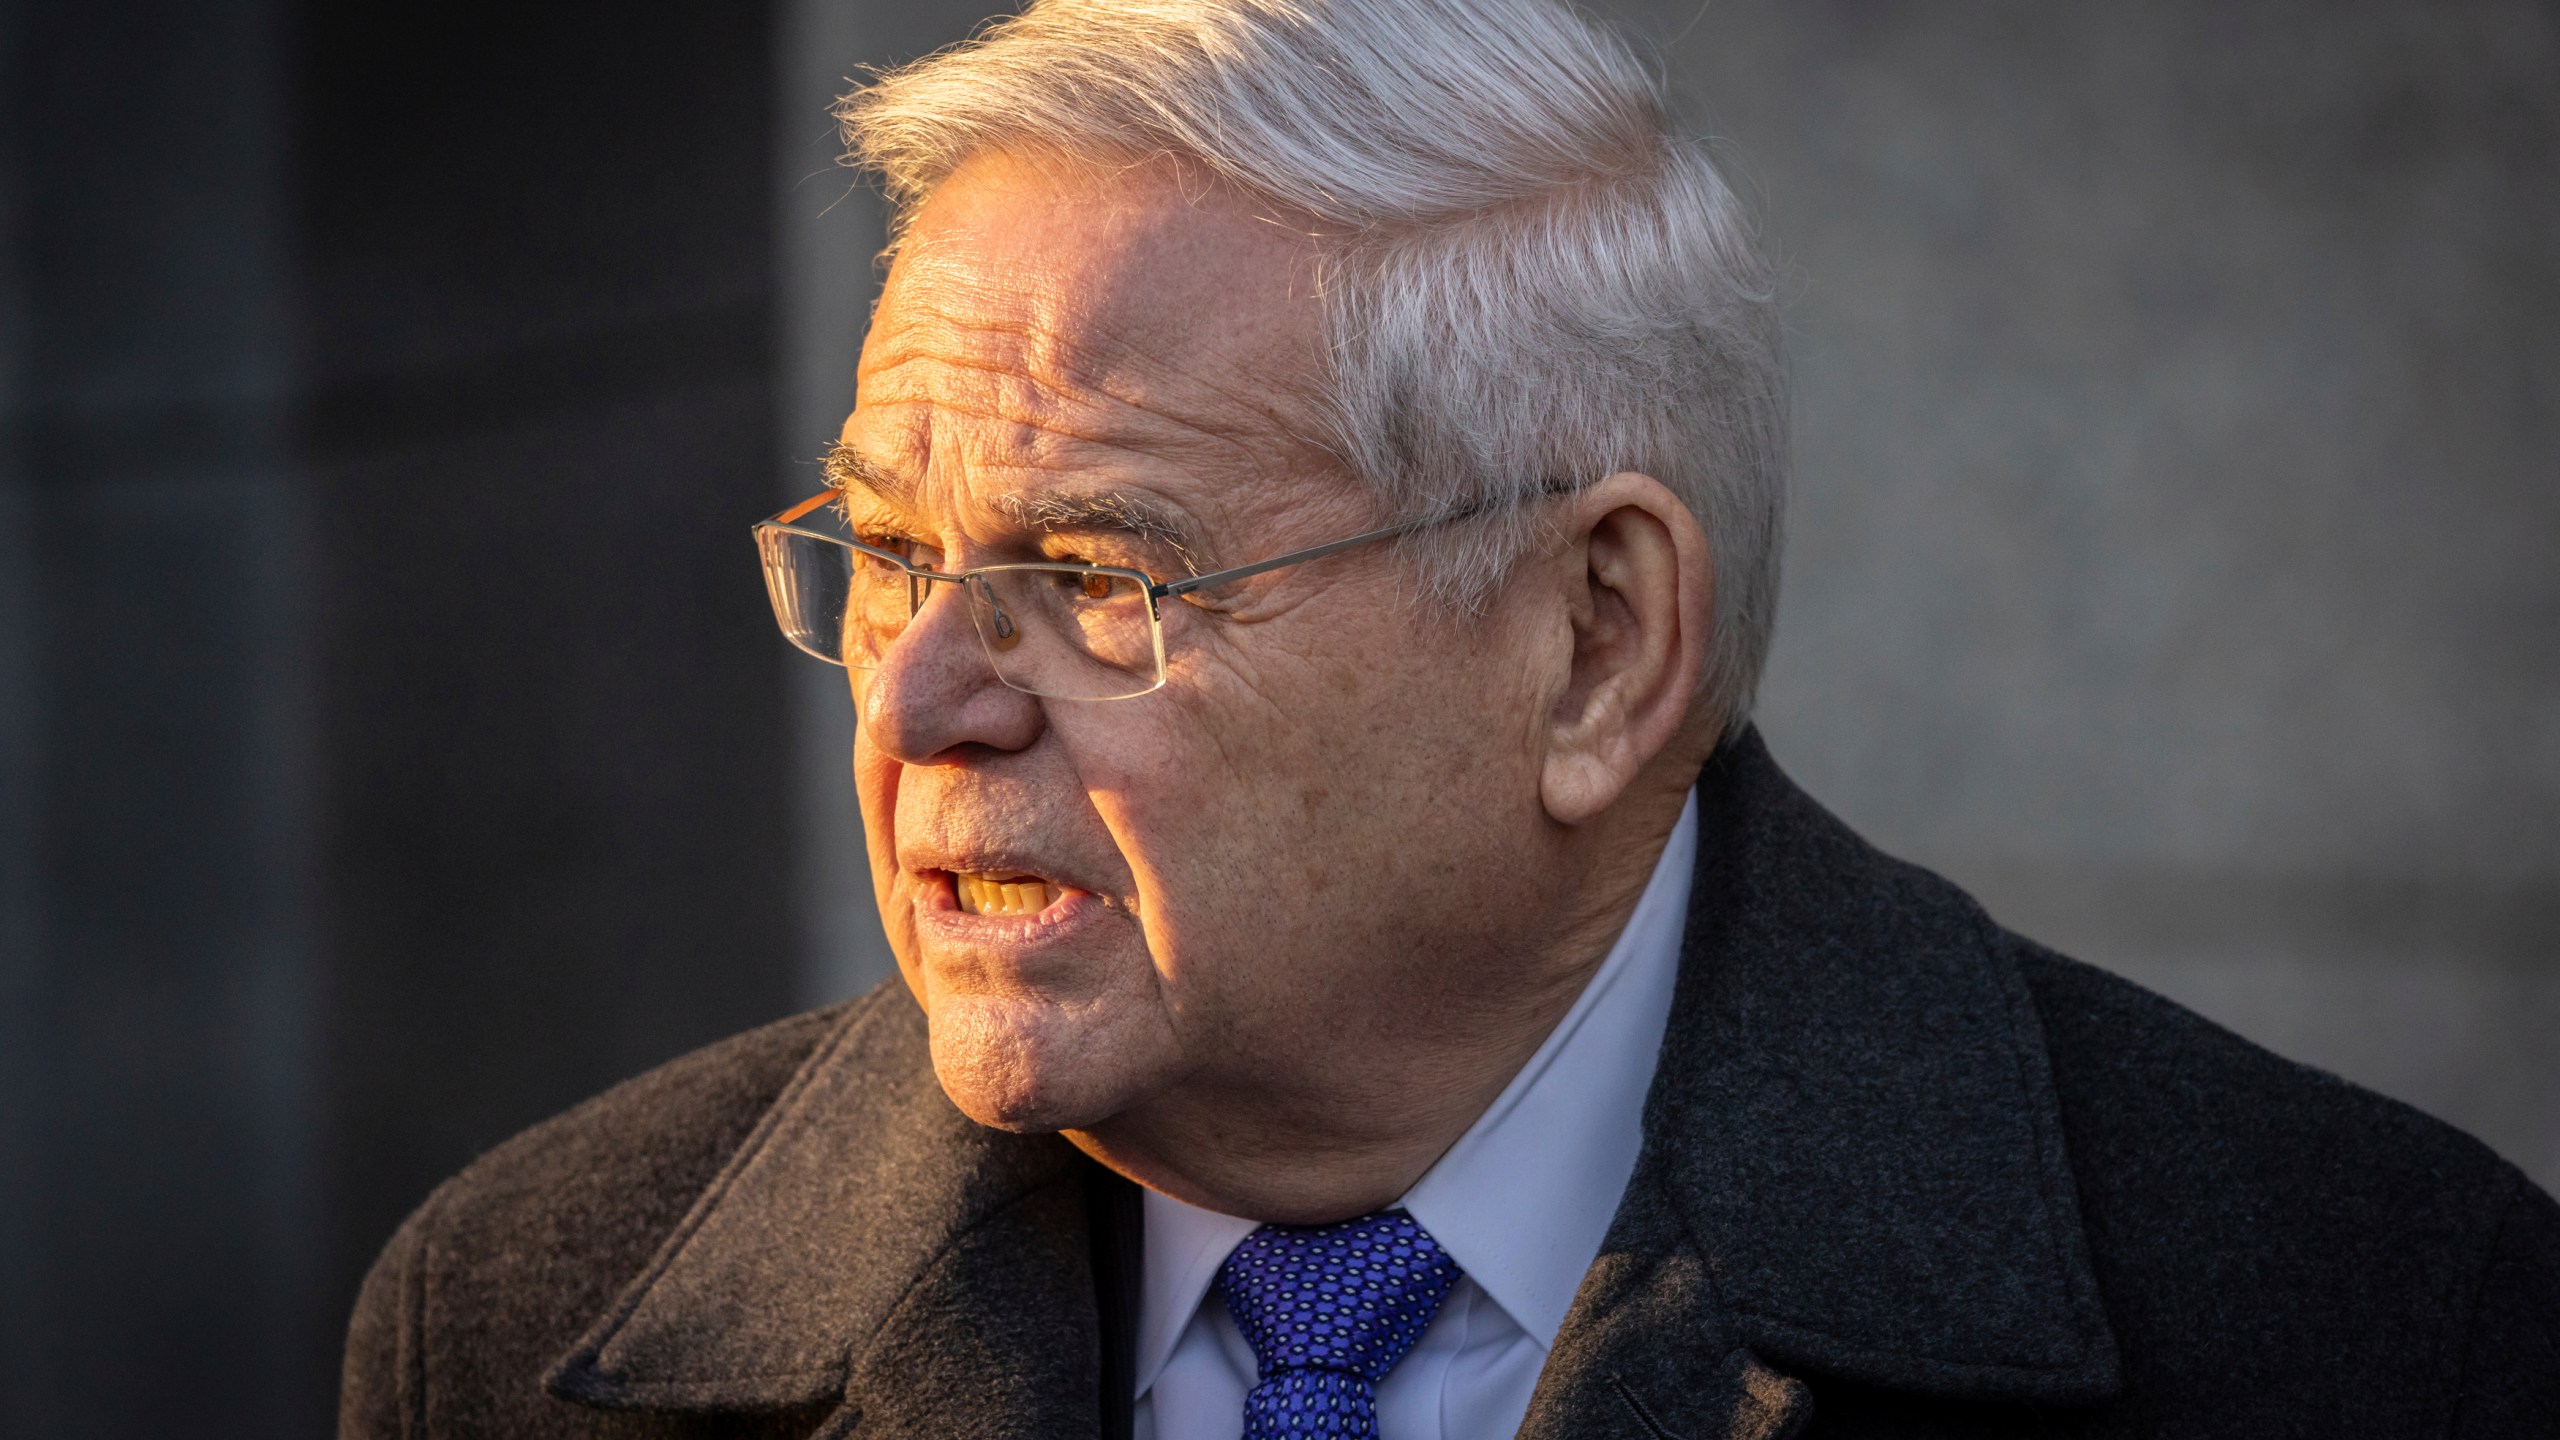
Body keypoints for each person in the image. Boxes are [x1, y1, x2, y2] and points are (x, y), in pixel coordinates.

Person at [339, 1, 2560, 1436]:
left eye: (1098, 579)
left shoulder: (2373, 1331)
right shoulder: (511, 1322)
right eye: (892, 552)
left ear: (1596, 646)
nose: (917, 696)